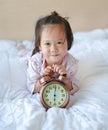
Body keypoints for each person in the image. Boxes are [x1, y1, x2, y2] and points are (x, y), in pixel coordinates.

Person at [27, 11, 79, 95]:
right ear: (39, 45)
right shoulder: (35, 62)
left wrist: (64, 77)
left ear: (68, 42)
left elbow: (75, 87)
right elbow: (32, 88)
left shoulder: (71, 63)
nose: (53, 49)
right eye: (47, 44)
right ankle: (21, 47)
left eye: (59, 42)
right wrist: (43, 79)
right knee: (25, 55)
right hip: (30, 58)